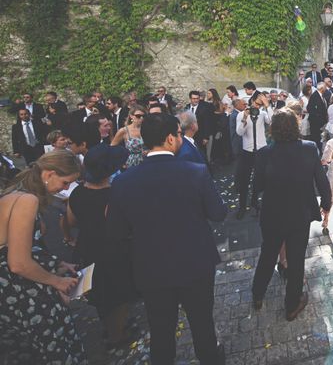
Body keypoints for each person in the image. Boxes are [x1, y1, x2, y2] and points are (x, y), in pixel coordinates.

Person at [107, 113, 227, 363]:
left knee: (161, 332)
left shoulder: (123, 182)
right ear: (171, 138)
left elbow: (117, 233)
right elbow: (218, 213)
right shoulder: (195, 172)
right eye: (180, 134)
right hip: (195, 263)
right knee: (202, 325)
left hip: (151, 269)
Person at [0, 150, 86, 363]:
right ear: (48, 174)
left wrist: (57, 263)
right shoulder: (26, 200)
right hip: (18, 291)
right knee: (53, 349)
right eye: (66, 182)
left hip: (13, 290)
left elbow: (18, 248)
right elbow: (18, 262)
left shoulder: (17, 193)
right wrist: (57, 281)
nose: (66, 189)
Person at [252, 109, 331, 320]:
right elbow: (321, 179)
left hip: (272, 214)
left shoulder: (264, 153)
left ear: (273, 129)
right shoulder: (309, 148)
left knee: (268, 255)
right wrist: (326, 202)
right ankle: (292, 305)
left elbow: (257, 186)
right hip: (299, 214)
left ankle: (257, 295)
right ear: (296, 127)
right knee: (296, 260)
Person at [67, 144, 137, 347]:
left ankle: (111, 327)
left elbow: (71, 222)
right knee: (120, 294)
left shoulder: (78, 193)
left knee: (101, 295)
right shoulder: (115, 194)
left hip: (88, 249)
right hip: (114, 252)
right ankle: (118, 335)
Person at [235, 92, 273, 219]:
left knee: (260, 178)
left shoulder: (262, 114)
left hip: (262, 150)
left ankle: (255, 201)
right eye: (258, 101)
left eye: (261, 102)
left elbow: (273, 121)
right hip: (247, 151)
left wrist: (267, 105)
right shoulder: (241, 114)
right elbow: (239, 133)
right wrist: (244, 118)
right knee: (244, 180)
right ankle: (242, 206)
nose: (258, 105)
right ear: (253, 100)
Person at [307, 82, 329, 150]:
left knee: (319, 140)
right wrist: (320, 121)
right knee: (316, 139)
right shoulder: (315, 96)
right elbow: (310, 109)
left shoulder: (321, 96)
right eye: (325, 87)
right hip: (316, 124)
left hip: (320, 122)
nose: (326, 89)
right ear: (322, 88)